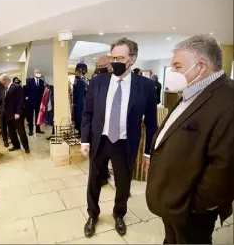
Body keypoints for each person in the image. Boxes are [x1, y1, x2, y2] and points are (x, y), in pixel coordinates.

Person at [145, 35, 234, 244]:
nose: (173, 72)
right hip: (174, 198)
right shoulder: (192, 91)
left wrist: (197, 204)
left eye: (177, 66)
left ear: (201, 66)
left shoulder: (227, 99)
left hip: (192, 207)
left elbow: (225, 164)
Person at [81, 37, 157, 238]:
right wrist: (85, 140)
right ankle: (92, 215)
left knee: (123, 183)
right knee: (94, 181)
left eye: (120, 57)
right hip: (100, 141)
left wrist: (149, 152)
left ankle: (119, 214)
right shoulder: (97, 82)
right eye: (113, 57)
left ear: (132, 58)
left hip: (125, 143)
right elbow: (87, 114)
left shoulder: (146, 86)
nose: (115, 61)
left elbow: (151, 123)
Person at [0, 74, 30, 154]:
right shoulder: (4, 90)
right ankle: (16, 145)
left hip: (16, 114)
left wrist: (18, 112)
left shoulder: (17, 87)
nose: (2, 83)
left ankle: (26, 147)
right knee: (11, 132)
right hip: (8, 115)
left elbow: (21, 100)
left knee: (21, 131)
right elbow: (3, 102)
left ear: (6, 80)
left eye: (3, 81)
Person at [25, 69, 45, 136]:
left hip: (39, 102)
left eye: (39, 72)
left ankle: (37, 129)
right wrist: (27, 98)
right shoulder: (29, 81)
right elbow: (26, 90)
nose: (38, 73)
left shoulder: (42, 82)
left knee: (38, 116)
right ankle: (31, 130)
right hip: (31, 102)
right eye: (37, 72)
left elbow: (43, 92)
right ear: (34, 73)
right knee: (30, 117)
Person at [0, 76, 8, 147]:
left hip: (9, 111)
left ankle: (11, 138)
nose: (4, 81)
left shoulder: (7, 87)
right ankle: (5, 140)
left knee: (10, 126)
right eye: (2, 80)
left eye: (5, 80)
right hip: (1, 110)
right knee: (3, 127)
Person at [73, 69, 86, 136]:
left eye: (77, 74)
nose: (76, 75)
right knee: (78, 117)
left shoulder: (81, 82)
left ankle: (80, 132)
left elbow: (80, 94)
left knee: (79, 117)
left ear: (80, 74)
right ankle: (79, 131)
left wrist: (76, 102)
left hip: (79, 102)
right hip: (79, 101)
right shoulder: (79, 82)